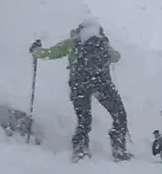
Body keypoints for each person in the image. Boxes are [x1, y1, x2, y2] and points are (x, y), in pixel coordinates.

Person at [30, 21, 129, 161]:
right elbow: (117, 57)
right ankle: (118, 148)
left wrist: (36, 50)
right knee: (119, 115)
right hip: (102, 85)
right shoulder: (102, 44)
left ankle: (80, 149)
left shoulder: (72, 43)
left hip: (79, 86)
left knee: (84, 119)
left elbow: (48, 53)